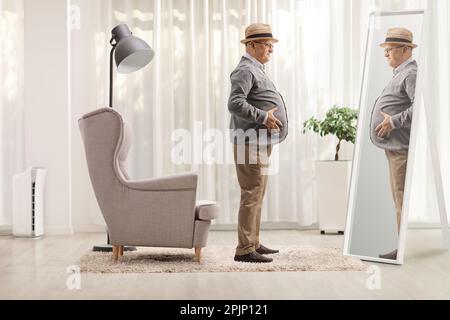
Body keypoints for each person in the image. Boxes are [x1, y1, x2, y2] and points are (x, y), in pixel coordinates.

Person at [228, 23, 289, 263]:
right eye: (267, 44)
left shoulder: (257, 68)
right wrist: (264, 116)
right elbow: (234, 103)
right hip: (249, 141)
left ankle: (252, 241)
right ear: (251, 45)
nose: (271, 50)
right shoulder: (244, 70)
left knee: (258, 192)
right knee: (251, 192)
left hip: (259, 141)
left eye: (271, 45)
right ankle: (244, 249)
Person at [370, 27, 418, 260]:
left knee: (400, 197)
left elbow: (417, 107)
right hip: (395, 146)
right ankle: (400, 246)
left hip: (401, 146)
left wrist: (393, 122)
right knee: (397, 197)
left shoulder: (410, 73)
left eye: (389, 49)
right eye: (385, 49)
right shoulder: (401, 72)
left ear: (405, 49)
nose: (386, 54)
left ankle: (402, 249)